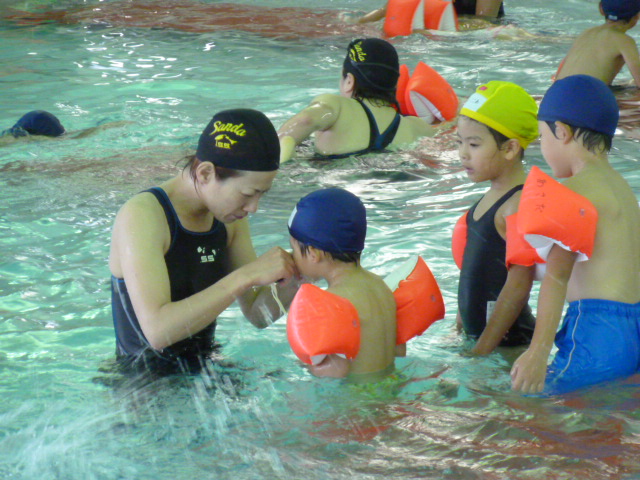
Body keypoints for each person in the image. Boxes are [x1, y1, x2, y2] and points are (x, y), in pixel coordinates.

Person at [110, 108, 299, 372]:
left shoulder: (229, 218)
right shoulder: (143, 216)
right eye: (248, 194)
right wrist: (246, 276)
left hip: (207, 368)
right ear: (206, 173)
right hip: (143, 382)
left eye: (261, 195)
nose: (253, 207)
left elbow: (257, 314)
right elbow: (158, 332)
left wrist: (304, 271)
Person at [510, 75, 640, 395]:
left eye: (542, 136)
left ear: (562, 132)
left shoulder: (574, 193)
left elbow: (557, 277)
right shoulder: (621, 188)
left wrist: (537, 353)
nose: (543, 147)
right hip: (634, 321)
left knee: (534, 403)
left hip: (598, 328)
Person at [454, 81, 539, 355]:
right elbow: (472, 275)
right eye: (459, 142)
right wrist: (460, 326)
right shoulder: (488, 198)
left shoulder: (515, 204)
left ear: (510, 148)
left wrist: (481, 350)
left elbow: (518, 286)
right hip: (485, 342)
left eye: (474, 144)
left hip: (511, 345)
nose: (463, 153)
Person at [287, 188, 399, 381]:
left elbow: (335, 370)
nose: (292, 257)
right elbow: (398, 348)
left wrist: (305, 362)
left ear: (313, 253)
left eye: (294, 249)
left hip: (359, 396)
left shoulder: (334, 301)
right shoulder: (378, 284)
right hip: (391, 384)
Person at [277, 38, 434, 162]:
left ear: (349, 81)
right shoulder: (416, 126)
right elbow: (441, 132)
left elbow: (305, 120)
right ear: (395, 85)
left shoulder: (337, 106)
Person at [555, 0, 640, 87]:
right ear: (637, 16)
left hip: (555, 91)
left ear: (601, 9)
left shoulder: (586, 33)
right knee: (630, 88)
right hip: (586, 92)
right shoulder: (624, 41)